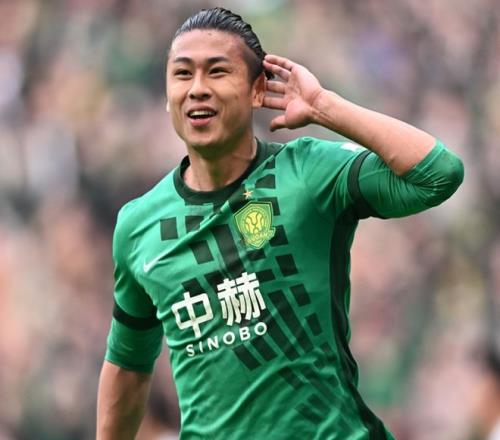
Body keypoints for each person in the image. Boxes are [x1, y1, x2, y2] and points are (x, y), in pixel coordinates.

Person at [96, 7, 464, 440]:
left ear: (257, 89)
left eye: (217, 72)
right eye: (182, 74)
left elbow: (437, 174)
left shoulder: (306, 173)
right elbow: (128, 366)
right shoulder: (139, 226)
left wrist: (325, 106)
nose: (197, 89)